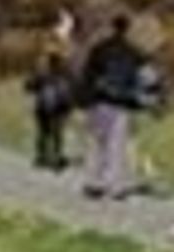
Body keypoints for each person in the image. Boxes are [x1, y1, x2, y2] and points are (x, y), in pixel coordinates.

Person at [79, 12, 150, 199]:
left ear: (112, 27)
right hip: (122, 104)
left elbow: (87, 76)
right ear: (127, 29)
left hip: (99, 102)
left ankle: (94, 183)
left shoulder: (99, 49)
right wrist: (141, 102)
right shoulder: (134, 53)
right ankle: (116, 186)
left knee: (97, 143)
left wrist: (83, 101)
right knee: (117, 146)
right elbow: (144, 80)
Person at [25, 32, 77, 170]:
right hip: (61, 103)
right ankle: (56, 155)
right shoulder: (66, 66)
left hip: (43, 103)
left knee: (43, 131)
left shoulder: (41, 66)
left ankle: (42, 156)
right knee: (57, 131)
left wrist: (32, 87)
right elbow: (73, 83)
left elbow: (30, 84)